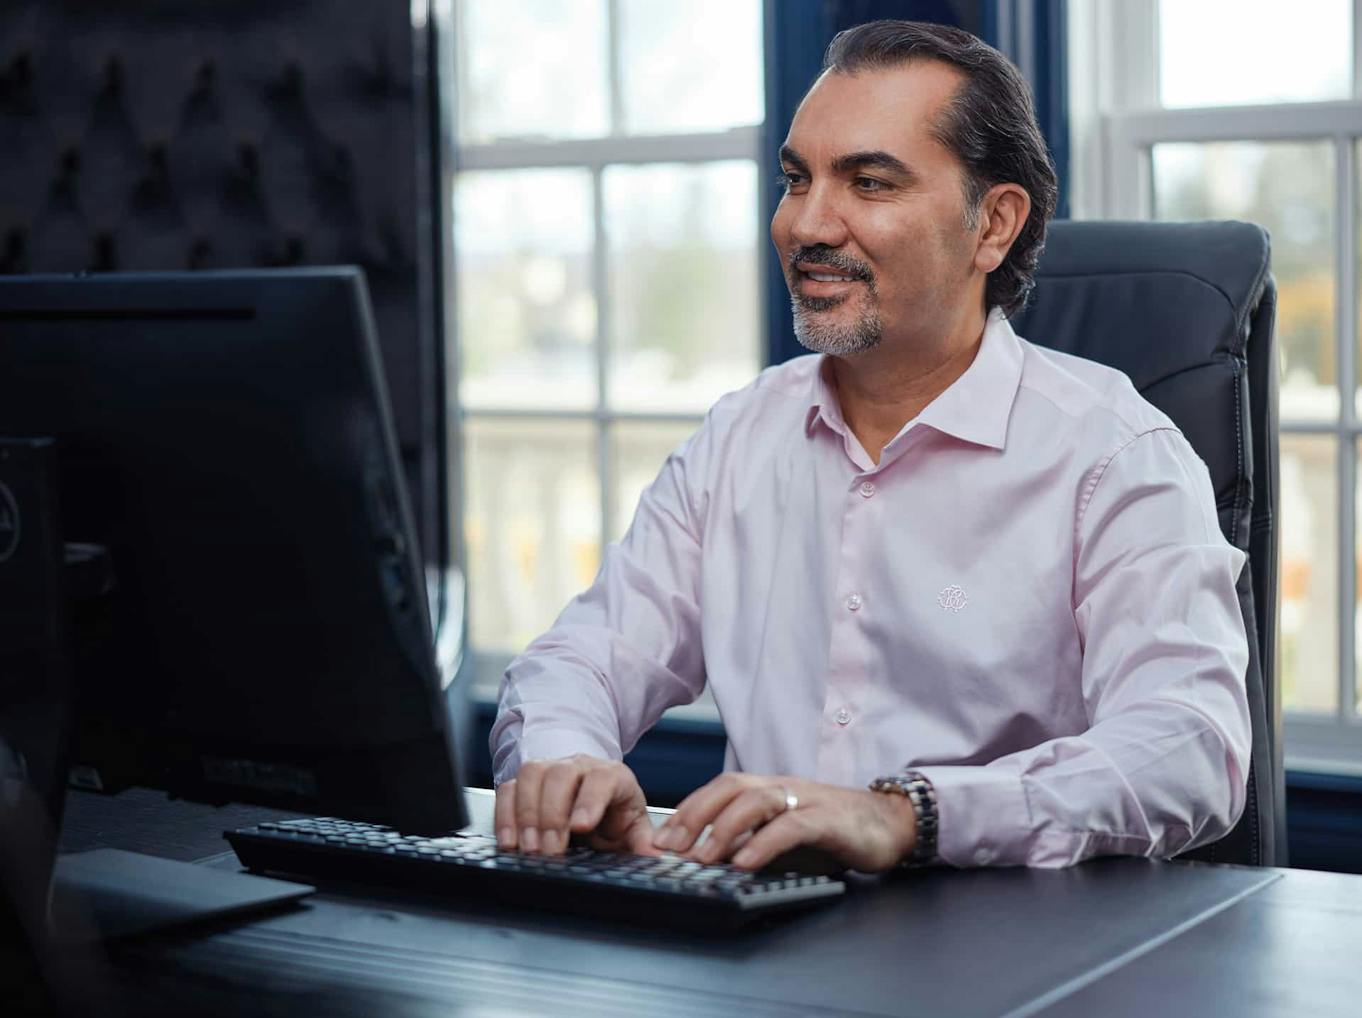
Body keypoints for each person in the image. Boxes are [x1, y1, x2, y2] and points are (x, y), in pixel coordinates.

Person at [489, 20, 1251, 871]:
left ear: (993, 225)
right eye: (796, 180)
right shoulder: (740, 436)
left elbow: (1190, 746)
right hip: (758, 930)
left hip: (1011, 936)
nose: (808, 224)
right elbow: (582, 659)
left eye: (870, 183)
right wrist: (564, 761)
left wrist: (907, 815)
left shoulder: (1115, 453)